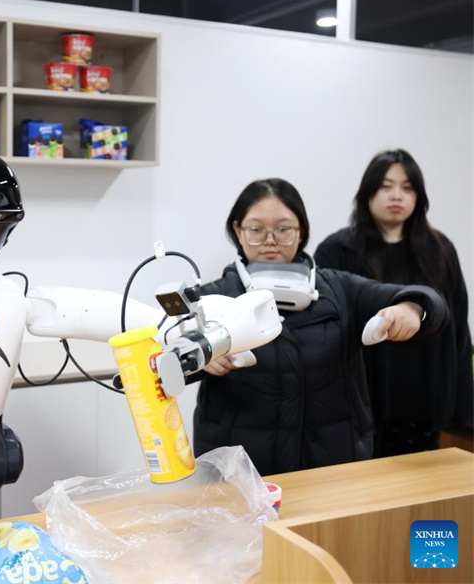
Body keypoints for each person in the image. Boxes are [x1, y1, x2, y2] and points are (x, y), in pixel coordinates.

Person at [191, 178, 448, 476]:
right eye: (256, 230)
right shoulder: (211, 300)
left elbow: (429, 300)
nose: (270, 240)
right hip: (239, 474)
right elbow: (159, 360)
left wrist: (411, 309)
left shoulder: (340, 289)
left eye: (284, 229)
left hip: (332, 468)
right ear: (238, 231)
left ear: (301, 232)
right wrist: (202, 358)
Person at [315, 149, 472, 458]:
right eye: (385, 186)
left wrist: (461, 404)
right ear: (367, 193)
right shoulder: (337, 249)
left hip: (422, 401)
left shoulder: (439, 249)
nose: (396, 195)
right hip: (359, 400)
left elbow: (458, 331)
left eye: (407, 187)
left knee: (416, 489)